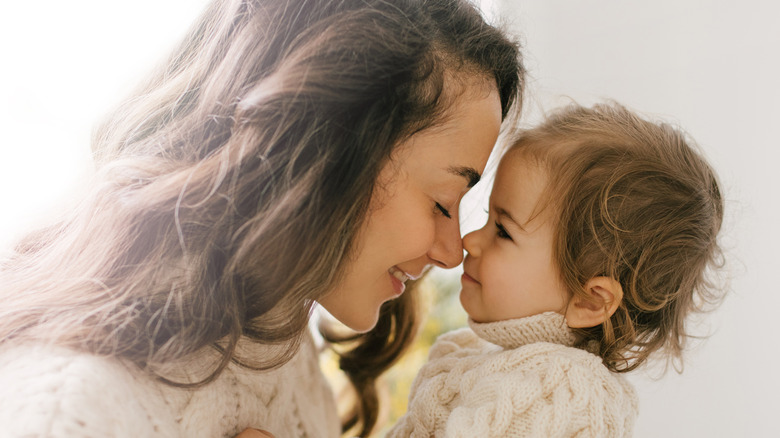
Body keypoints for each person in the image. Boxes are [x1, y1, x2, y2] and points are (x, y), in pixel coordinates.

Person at [0, 0, 524, 437]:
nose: (453, 251)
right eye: (442, 203)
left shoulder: (278, 357)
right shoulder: (65, 411)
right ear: (323, 152)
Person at [387, 102, 725, 437]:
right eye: (487, 218)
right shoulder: (480, 357)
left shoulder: (564, 390)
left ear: (589, 301)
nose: (471, 240)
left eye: (503, 231)